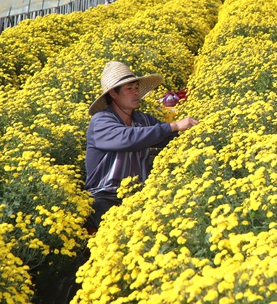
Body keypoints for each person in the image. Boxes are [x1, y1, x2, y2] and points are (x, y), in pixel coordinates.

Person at [84, 61, 199, 232]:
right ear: (113, 94)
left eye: (136, 87)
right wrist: (173, 126)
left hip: (138, 195)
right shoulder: (101, 121)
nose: (136, 92)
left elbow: (169, 139)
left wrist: (199, 134)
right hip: (105, 195)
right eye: (129, 89)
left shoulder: (143, 120)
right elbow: (128, 138)